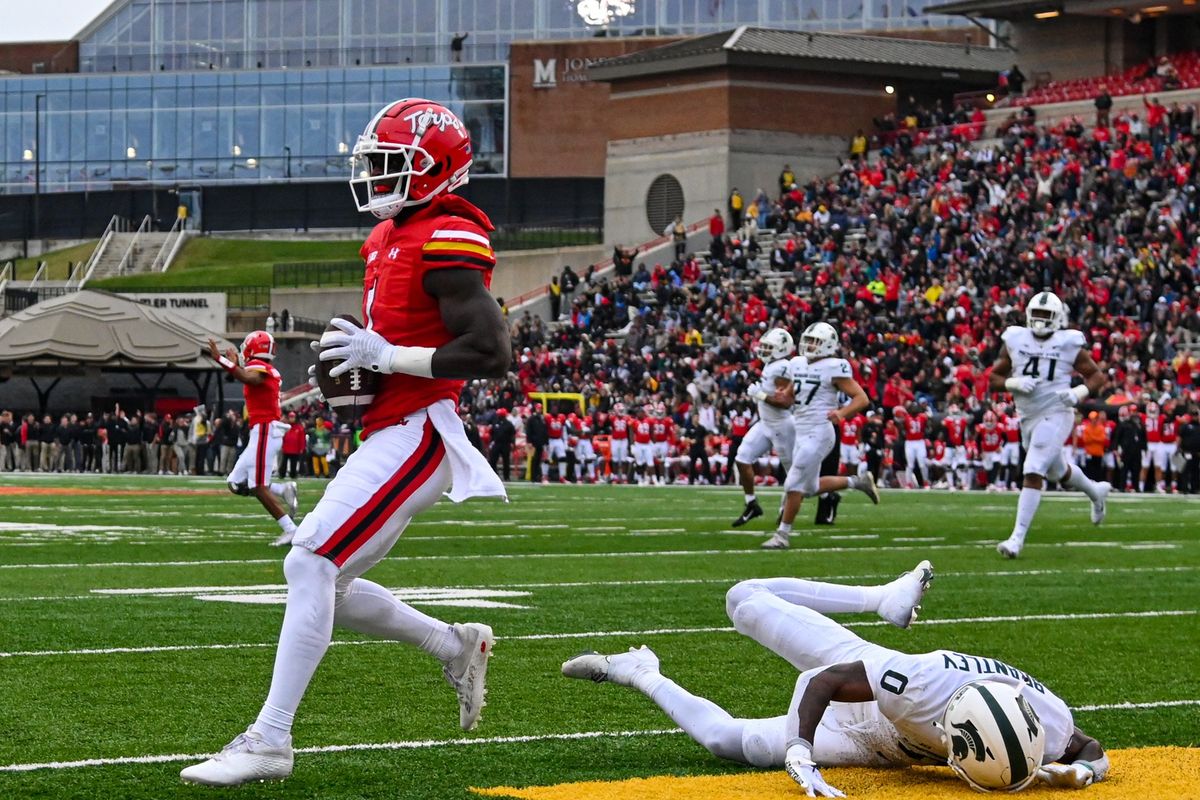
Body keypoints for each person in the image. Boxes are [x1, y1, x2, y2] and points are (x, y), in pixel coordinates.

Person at [182, 98, 510, 787]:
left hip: (422, 428)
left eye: (393, 164)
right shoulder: (387, 236)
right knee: (329, 576)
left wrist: (387, 359)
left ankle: (271, 738)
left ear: (436, 169)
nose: (379, 177)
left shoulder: (448, 233)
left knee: (310, 565)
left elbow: (489, 350)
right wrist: (360, 374)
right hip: (389, 427)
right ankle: (454, 644)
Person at [562, 564, 1110, 796]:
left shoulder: (1048, 717)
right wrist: (800, 748)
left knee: (725, 741)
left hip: (887, 748)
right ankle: (880, 597)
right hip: (866, 686)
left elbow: (1093, 749)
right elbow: (821, 680)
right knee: (744, 600)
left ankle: (640, 671)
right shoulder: (920, 683)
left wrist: (1081, 772)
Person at [989, 291, 1110, 559]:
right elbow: (994, 378)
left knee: (1033, 469)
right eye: (1037, 315)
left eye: (1046, 316)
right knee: (1057, 471)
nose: (1041, 321)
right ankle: (1096, 492)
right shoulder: (1015, 338)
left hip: (1057, 412)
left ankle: (1016, 539)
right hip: (1028, 416)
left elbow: (1096, 377)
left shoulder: (1068, 343)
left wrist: (1078, 393)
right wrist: (1012, 382)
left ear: (1057, 319)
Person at [761, 323, 879, 550]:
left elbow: (861, 398)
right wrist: (780, 395)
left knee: (793, 482)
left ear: (827, 344)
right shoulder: (797, 363)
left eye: (815, 341)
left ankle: (782, 535)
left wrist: (842, 413)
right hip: (802, 429)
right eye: (808, 340)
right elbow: (792, 396)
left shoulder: (834, 366)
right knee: (810, 487)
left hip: (820, 431)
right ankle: (858, 482)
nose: (809, 345)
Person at [207, 332, 299, 547]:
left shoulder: (260, 367)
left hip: (266, 429)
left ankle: (291, 530)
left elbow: (249, 378)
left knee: (257, 486)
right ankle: (281, 489)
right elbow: (247, 376)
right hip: (261, 430)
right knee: (236, 483)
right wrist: (235, 364)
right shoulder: (263, 367)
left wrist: (220, 360)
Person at [731, 328, 796, 527]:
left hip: (782, 425)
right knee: (742, 458)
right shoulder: (771, 365)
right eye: (764, 346)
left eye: (769, 347)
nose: (764, 350)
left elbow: (786, 402)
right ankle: (751, 504)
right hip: (765, 423)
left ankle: (785, 511)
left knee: (791, 472)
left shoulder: (782, 367)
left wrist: (760, 396)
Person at [488, 408, 515, 481]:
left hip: (505, 444)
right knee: (493, 460)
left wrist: (512, 443)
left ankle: (506, 476)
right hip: (497, 443)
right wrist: (492, 441)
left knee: (506, 461)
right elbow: (492, 433)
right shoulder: (495, 422)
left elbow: (512, 434)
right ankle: (493, 475)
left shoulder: (509, 424)